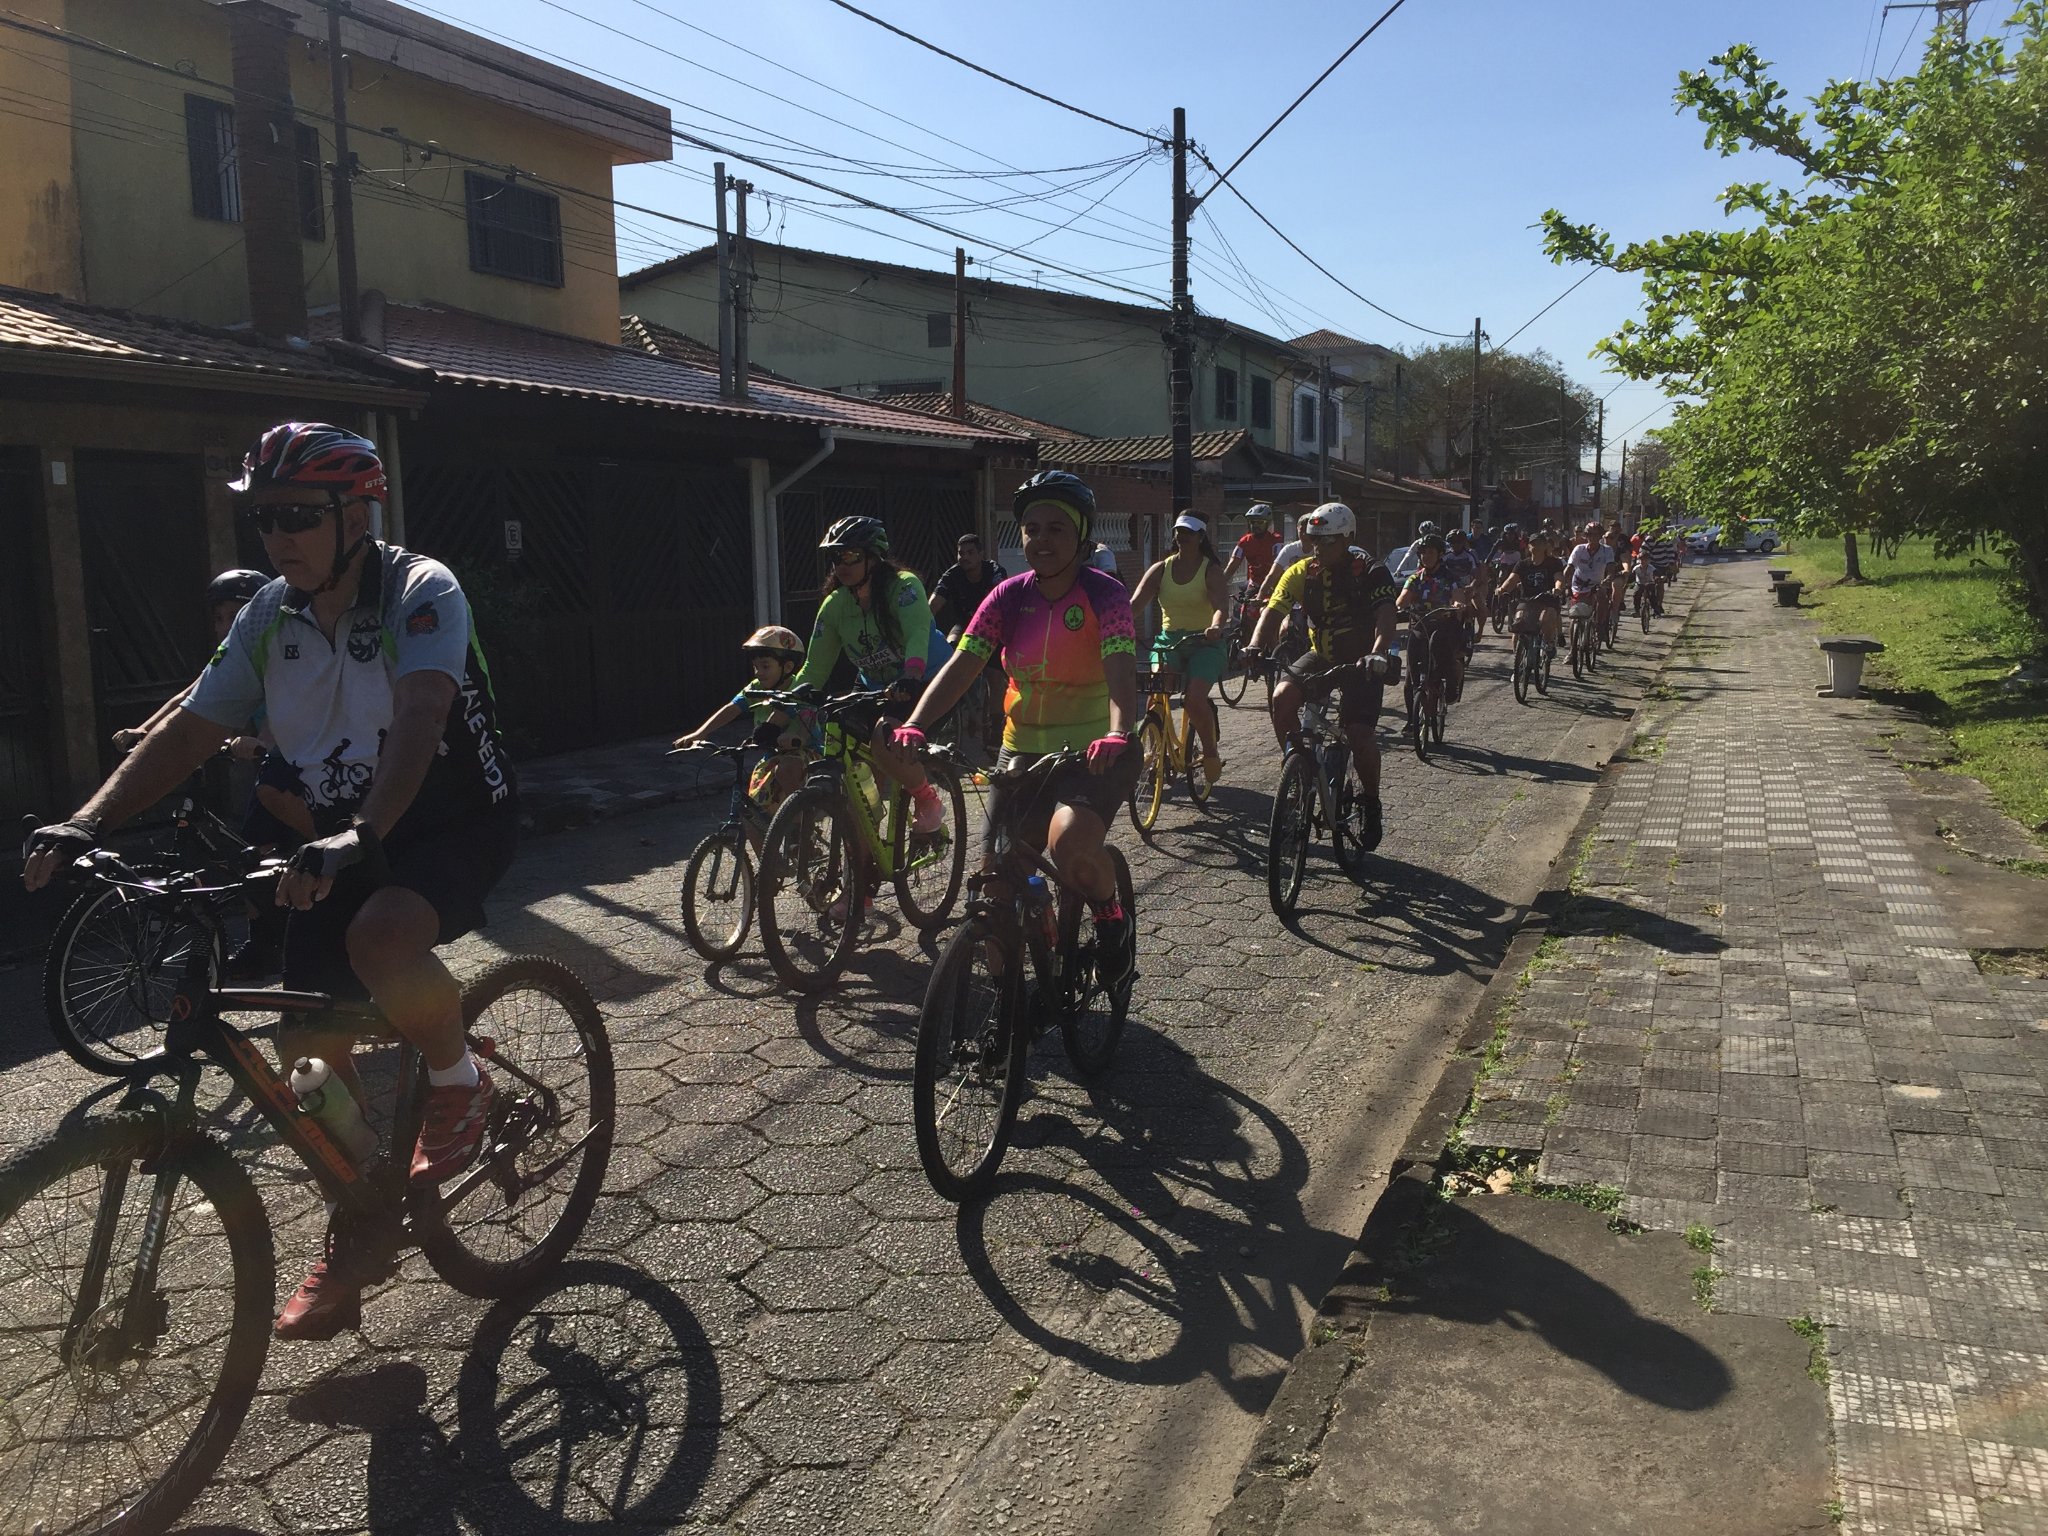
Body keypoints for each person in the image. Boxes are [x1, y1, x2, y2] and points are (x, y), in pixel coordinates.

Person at [22, 421, 520, 1341]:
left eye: (296, 516)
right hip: (335, 833)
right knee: (310, 1055)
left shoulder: (421, 590)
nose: (278, 537)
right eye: (264, 521)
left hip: (448, 816)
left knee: (380, 938)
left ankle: (458, 1082)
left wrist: (364, 833)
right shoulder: (269, 613)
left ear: (357, 513)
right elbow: (192, 728)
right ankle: (363, 1222)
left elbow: (419, 716)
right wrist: (87, 818)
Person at [893, 470, 1140, 980]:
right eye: (1031, 528)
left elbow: (1119, 668)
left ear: (1081, 537)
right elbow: (962, 666)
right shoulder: (1005, 596)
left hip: (1095, 750)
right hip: (1021, 748)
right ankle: (1008, 1018)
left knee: (1069, 849)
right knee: (995, 886)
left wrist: (1118, 730)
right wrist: (916, 723)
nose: (1041, 540)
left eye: (1056, 529)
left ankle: (1112, 915)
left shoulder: (1105, 595)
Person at [1245, 503, 1399, 851]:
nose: (1319, 548)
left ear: (1347, 539)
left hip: (1363, 660)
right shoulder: (1302, 571)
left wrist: (1378, 652)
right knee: (1281, 698)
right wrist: (1254, 646)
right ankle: (1296, 768)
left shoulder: (1370, 570)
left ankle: (1371, 803)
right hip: (1323, 654)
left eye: (1328, 542)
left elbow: (1386, 617)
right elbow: (1274, 609)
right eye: (1315, 540)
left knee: (1359, 736)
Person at [790, 516, 948, 835]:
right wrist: (779, 713)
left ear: (874, 558)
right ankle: (869, 839)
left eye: (851, 556)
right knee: (851, 757)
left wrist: (911, 674)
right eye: (836, 558)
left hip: (926, 680)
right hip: (876, 687)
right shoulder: (835, 605)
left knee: (884, 739)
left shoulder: (903, 587)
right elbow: (814, 668)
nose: (841, 565)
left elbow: (918, 632)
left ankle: (928, 799)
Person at [672, 625, 817, 829]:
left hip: (805, 756)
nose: (759, 673)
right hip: (771, 758)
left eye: (765, 666)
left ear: (788, 666)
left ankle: (803, 825)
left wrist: (794, 736)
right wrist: (699, 733)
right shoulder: (756, 688)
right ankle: (770, 862)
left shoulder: (799, 688)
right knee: (751, 816)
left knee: (786, 769)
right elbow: (731, 709)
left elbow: (807, 718)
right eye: (756, 667)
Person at [1129, 513, 1230, 787]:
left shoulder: (1211, 570)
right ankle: (1155, 750)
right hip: (1169, 641)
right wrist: (1115, 625)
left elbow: (1221, 606)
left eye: (1188, 532)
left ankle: (1209, 750)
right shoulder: (1161, 569)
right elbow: (1135, 604)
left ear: (1200, 537)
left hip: (1204, 643)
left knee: (1194, 699)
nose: (1181, 537)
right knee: (1155, 692)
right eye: (1178, 532)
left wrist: (1216, 627)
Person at [1397, 534, 1468, 711]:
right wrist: (1397, 606)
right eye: (1422, 553)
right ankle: (1412, 720)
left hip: (1444, 627)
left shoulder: (1449, 578)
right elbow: (1403, 599)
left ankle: (1451, 685)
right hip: (1419, 626)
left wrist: (1457, 604)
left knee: (1441, 651)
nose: (1426, 556)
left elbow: (1457, 596)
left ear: (1440, 554)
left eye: (1430, 552)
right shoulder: (1415, 579)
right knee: (1410, 676)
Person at [1495, 526, 1567, 657]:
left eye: (1540, 543)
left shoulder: (1554, 562)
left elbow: (1559, 578)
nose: (1536, 546)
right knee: (1518, 623)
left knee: (1547, 618)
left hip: (1548, 600)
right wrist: (1502, 589)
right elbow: (1511, 579)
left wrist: (1557, 588)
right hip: (1527, 600)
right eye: (1533, 543)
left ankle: (1549, 644)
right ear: (1528, 546)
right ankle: (1518, 661)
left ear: (1545, 546)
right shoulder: (1522, 564)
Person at [929, 533, 1006, 636]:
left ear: (980, 554)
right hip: (964, 625)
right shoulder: (952, 574)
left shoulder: (995, 571)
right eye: (961, 553)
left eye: (970, 552)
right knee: (951, 645)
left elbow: (1004, 602)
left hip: (992, 624)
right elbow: (934, 604)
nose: (965, 557)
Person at [1566, 520, 1617, 634]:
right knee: (1575, 616)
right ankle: (1572, 649)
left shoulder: (1606, 550)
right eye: (1589, 534)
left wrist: (1608, 578)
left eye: (1596, 535)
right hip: (1578, 584)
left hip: (1597, 584)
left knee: (1602, 599)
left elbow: (1610, 568)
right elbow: (1569, 568)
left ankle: (1600, 625)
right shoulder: (1579, 549)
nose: (1592, 537)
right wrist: (1565, 582)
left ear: (1600, 536)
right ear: (1586, 535)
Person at [1223, 504, 1281, 593]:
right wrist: (1220, 583)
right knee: (1246, 605)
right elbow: (1233, 563)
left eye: (1260, 522)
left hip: (1273, 583)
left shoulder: (1276, 541)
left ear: (1268, 523)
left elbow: (1278, 563)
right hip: (1254, 584)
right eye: (1253, 522)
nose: (1255, 525)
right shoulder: (1244, 541)